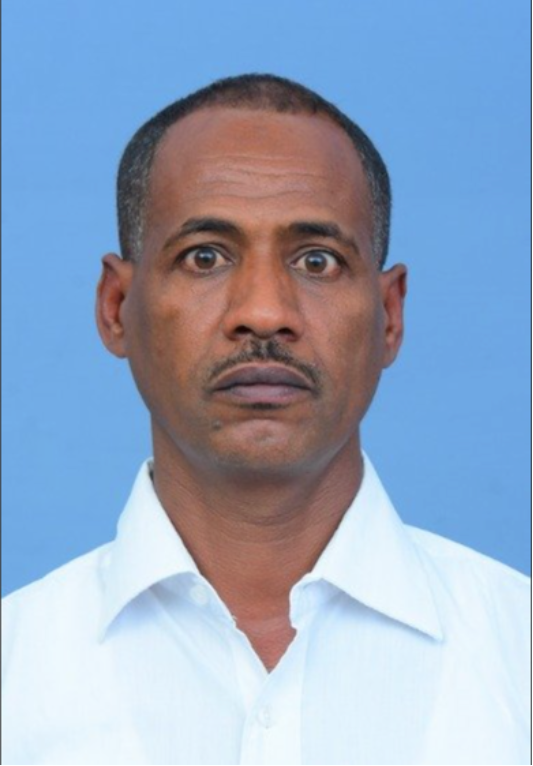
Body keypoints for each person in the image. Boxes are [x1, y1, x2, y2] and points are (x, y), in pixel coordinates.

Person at [1, 74, 530, 766]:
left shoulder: (515, 652)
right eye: (205, 257)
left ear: (389, 316)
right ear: (116, 308)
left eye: (317, 261)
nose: (264, 312)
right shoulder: (16, 673)